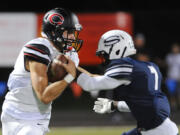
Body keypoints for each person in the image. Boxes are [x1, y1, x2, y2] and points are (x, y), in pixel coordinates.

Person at [76, 30, 179, 135]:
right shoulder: (146, 67)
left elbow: (90, 83)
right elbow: (142, 104)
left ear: (117, 50)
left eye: (104, 55)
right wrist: (115, 105)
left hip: (156, 131)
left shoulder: (126, 67)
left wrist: (68, 67)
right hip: (159, 128)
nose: (103, 59)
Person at [1, 7, 83, 135]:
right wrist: (69, 77)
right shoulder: (38, 48)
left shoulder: (71, 55)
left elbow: (86, 78)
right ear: (54, 31)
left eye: (74, 32)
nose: (73, 37)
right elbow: (44, 96)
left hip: (36, 118)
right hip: (12, 112)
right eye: (69, 32)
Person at [165, 43, 180, 110]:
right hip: (170, 77)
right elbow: (167, 67)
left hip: (178, 77)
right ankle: (173, 107)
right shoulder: (169, 56)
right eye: (173, 48)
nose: (174, 49)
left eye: (176, 48)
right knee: (171, 93)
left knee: (178, 93)